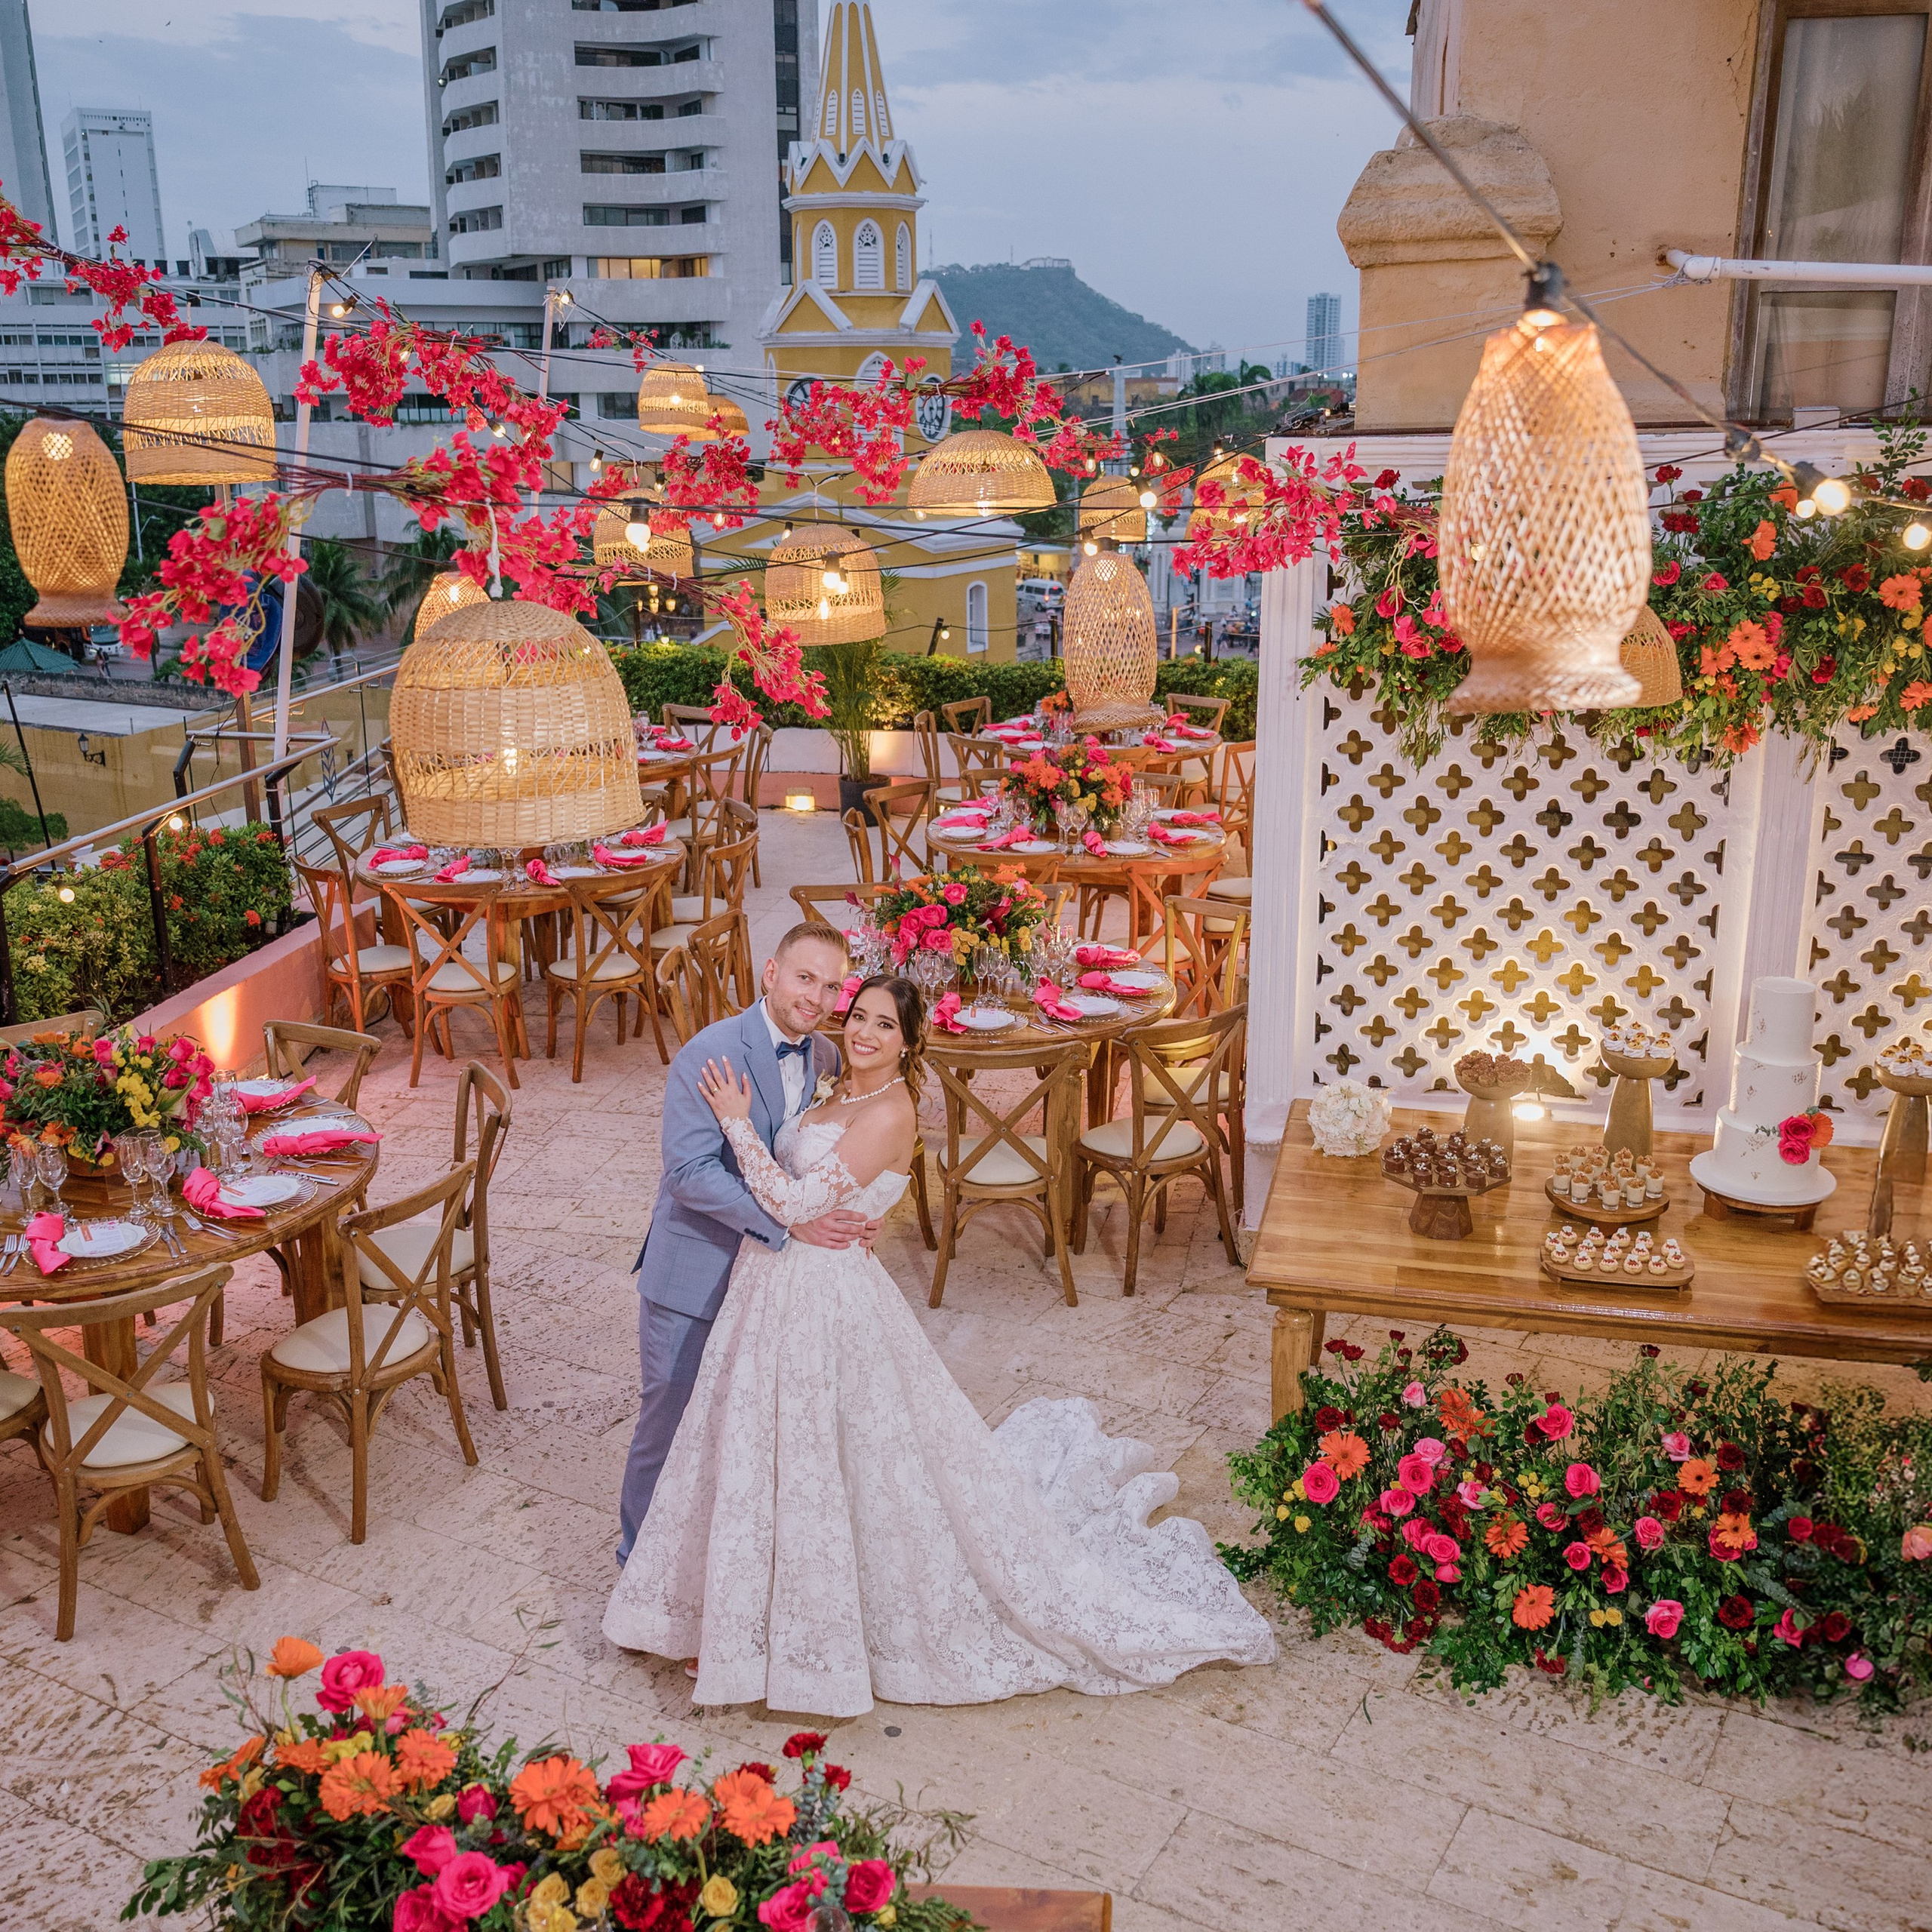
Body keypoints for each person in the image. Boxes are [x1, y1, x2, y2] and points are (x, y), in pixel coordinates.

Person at [604, 972, 1274, 1715]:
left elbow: (795, 1201)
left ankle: (812, 1629)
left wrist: (734, 1121)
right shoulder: (834, 1083)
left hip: (820, 1296)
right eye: (858, 1016)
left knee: (823, 1455)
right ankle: (742, 1614)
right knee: (765, 1451)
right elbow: (819, 1184)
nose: (863, 1032)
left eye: (884, 1025)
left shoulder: (891, 1108)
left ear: (910, 1042)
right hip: (772, 1290)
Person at [615, 921, 880, 1565]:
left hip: (773, 1282)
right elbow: (688, 1173)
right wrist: (787, 1222)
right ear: (770, 973)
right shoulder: (712, 1052)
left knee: (738, 1427)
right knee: (671, 1419)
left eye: (831, 986)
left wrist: (858, 1206)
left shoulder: (825, 1057)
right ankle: (637, 1560)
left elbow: (838, 1144)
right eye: (804, 978)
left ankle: (714, 1566)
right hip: (698, 1269)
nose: (816, 998)